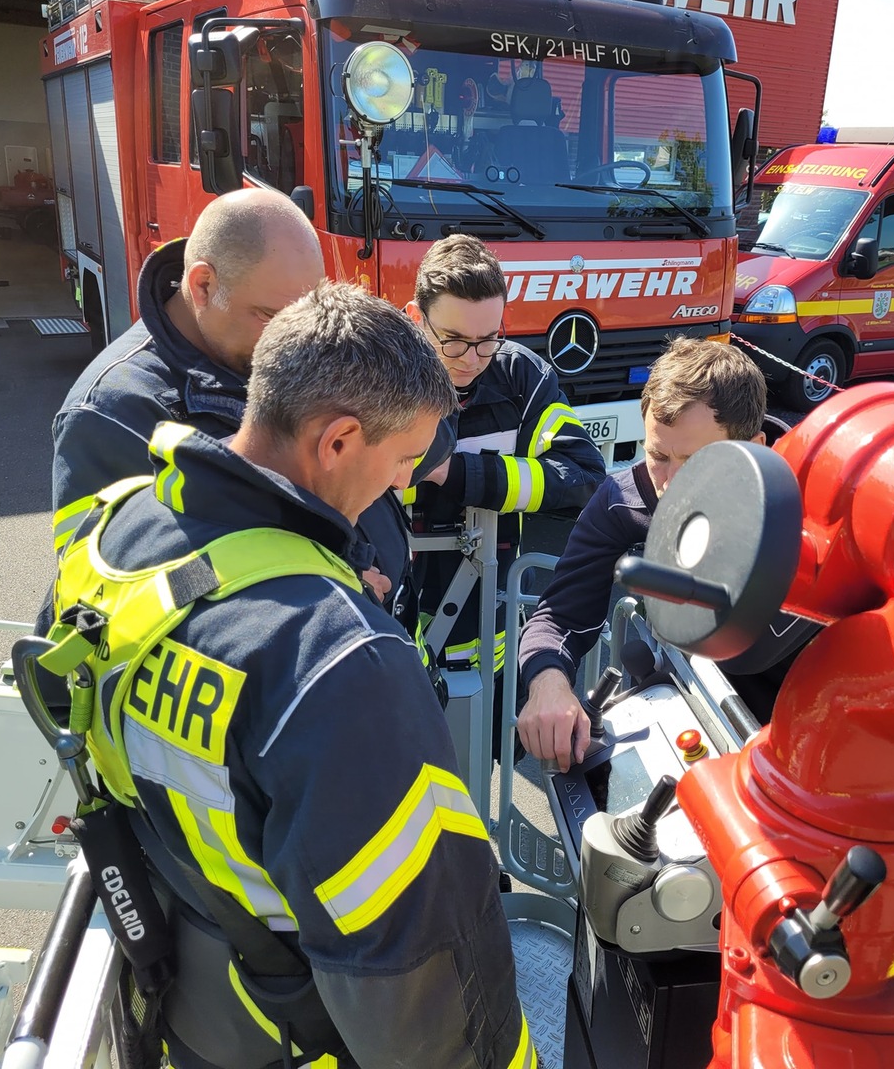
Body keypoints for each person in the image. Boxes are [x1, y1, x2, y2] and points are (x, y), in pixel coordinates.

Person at [39, 282, 535, 1068]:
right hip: (297, 1038)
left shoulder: (122, 527)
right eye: (405, 459)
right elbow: (418, 983)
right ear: (338, 441)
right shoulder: (339, 660)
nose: (404, 484)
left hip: (188, 1005)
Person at [49, 188, 441, 610]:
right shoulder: (111, 413)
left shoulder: (258, 341)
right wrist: (321, 582)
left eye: (310, 309)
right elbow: (103, 598)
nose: (296, 338)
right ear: (203, 286)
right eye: (272, 316)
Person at [517, 336, 817, 771]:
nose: (672, 485)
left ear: (754, 446)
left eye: (696, 461)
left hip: (814, 734)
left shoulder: (815, 505)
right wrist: (547, 682)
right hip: (693, 720)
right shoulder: (622, 500)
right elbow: (561, 613)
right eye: (658, 455)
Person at [405, 234, 605, 742]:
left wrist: (456, 474)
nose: (471, 359)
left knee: (491, 760)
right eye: (451, 340)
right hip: (397, 631)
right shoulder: (377, 379)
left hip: (489, 630)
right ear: (414, 316)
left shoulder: (521, 375)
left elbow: (582, 474)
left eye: (487, 339)